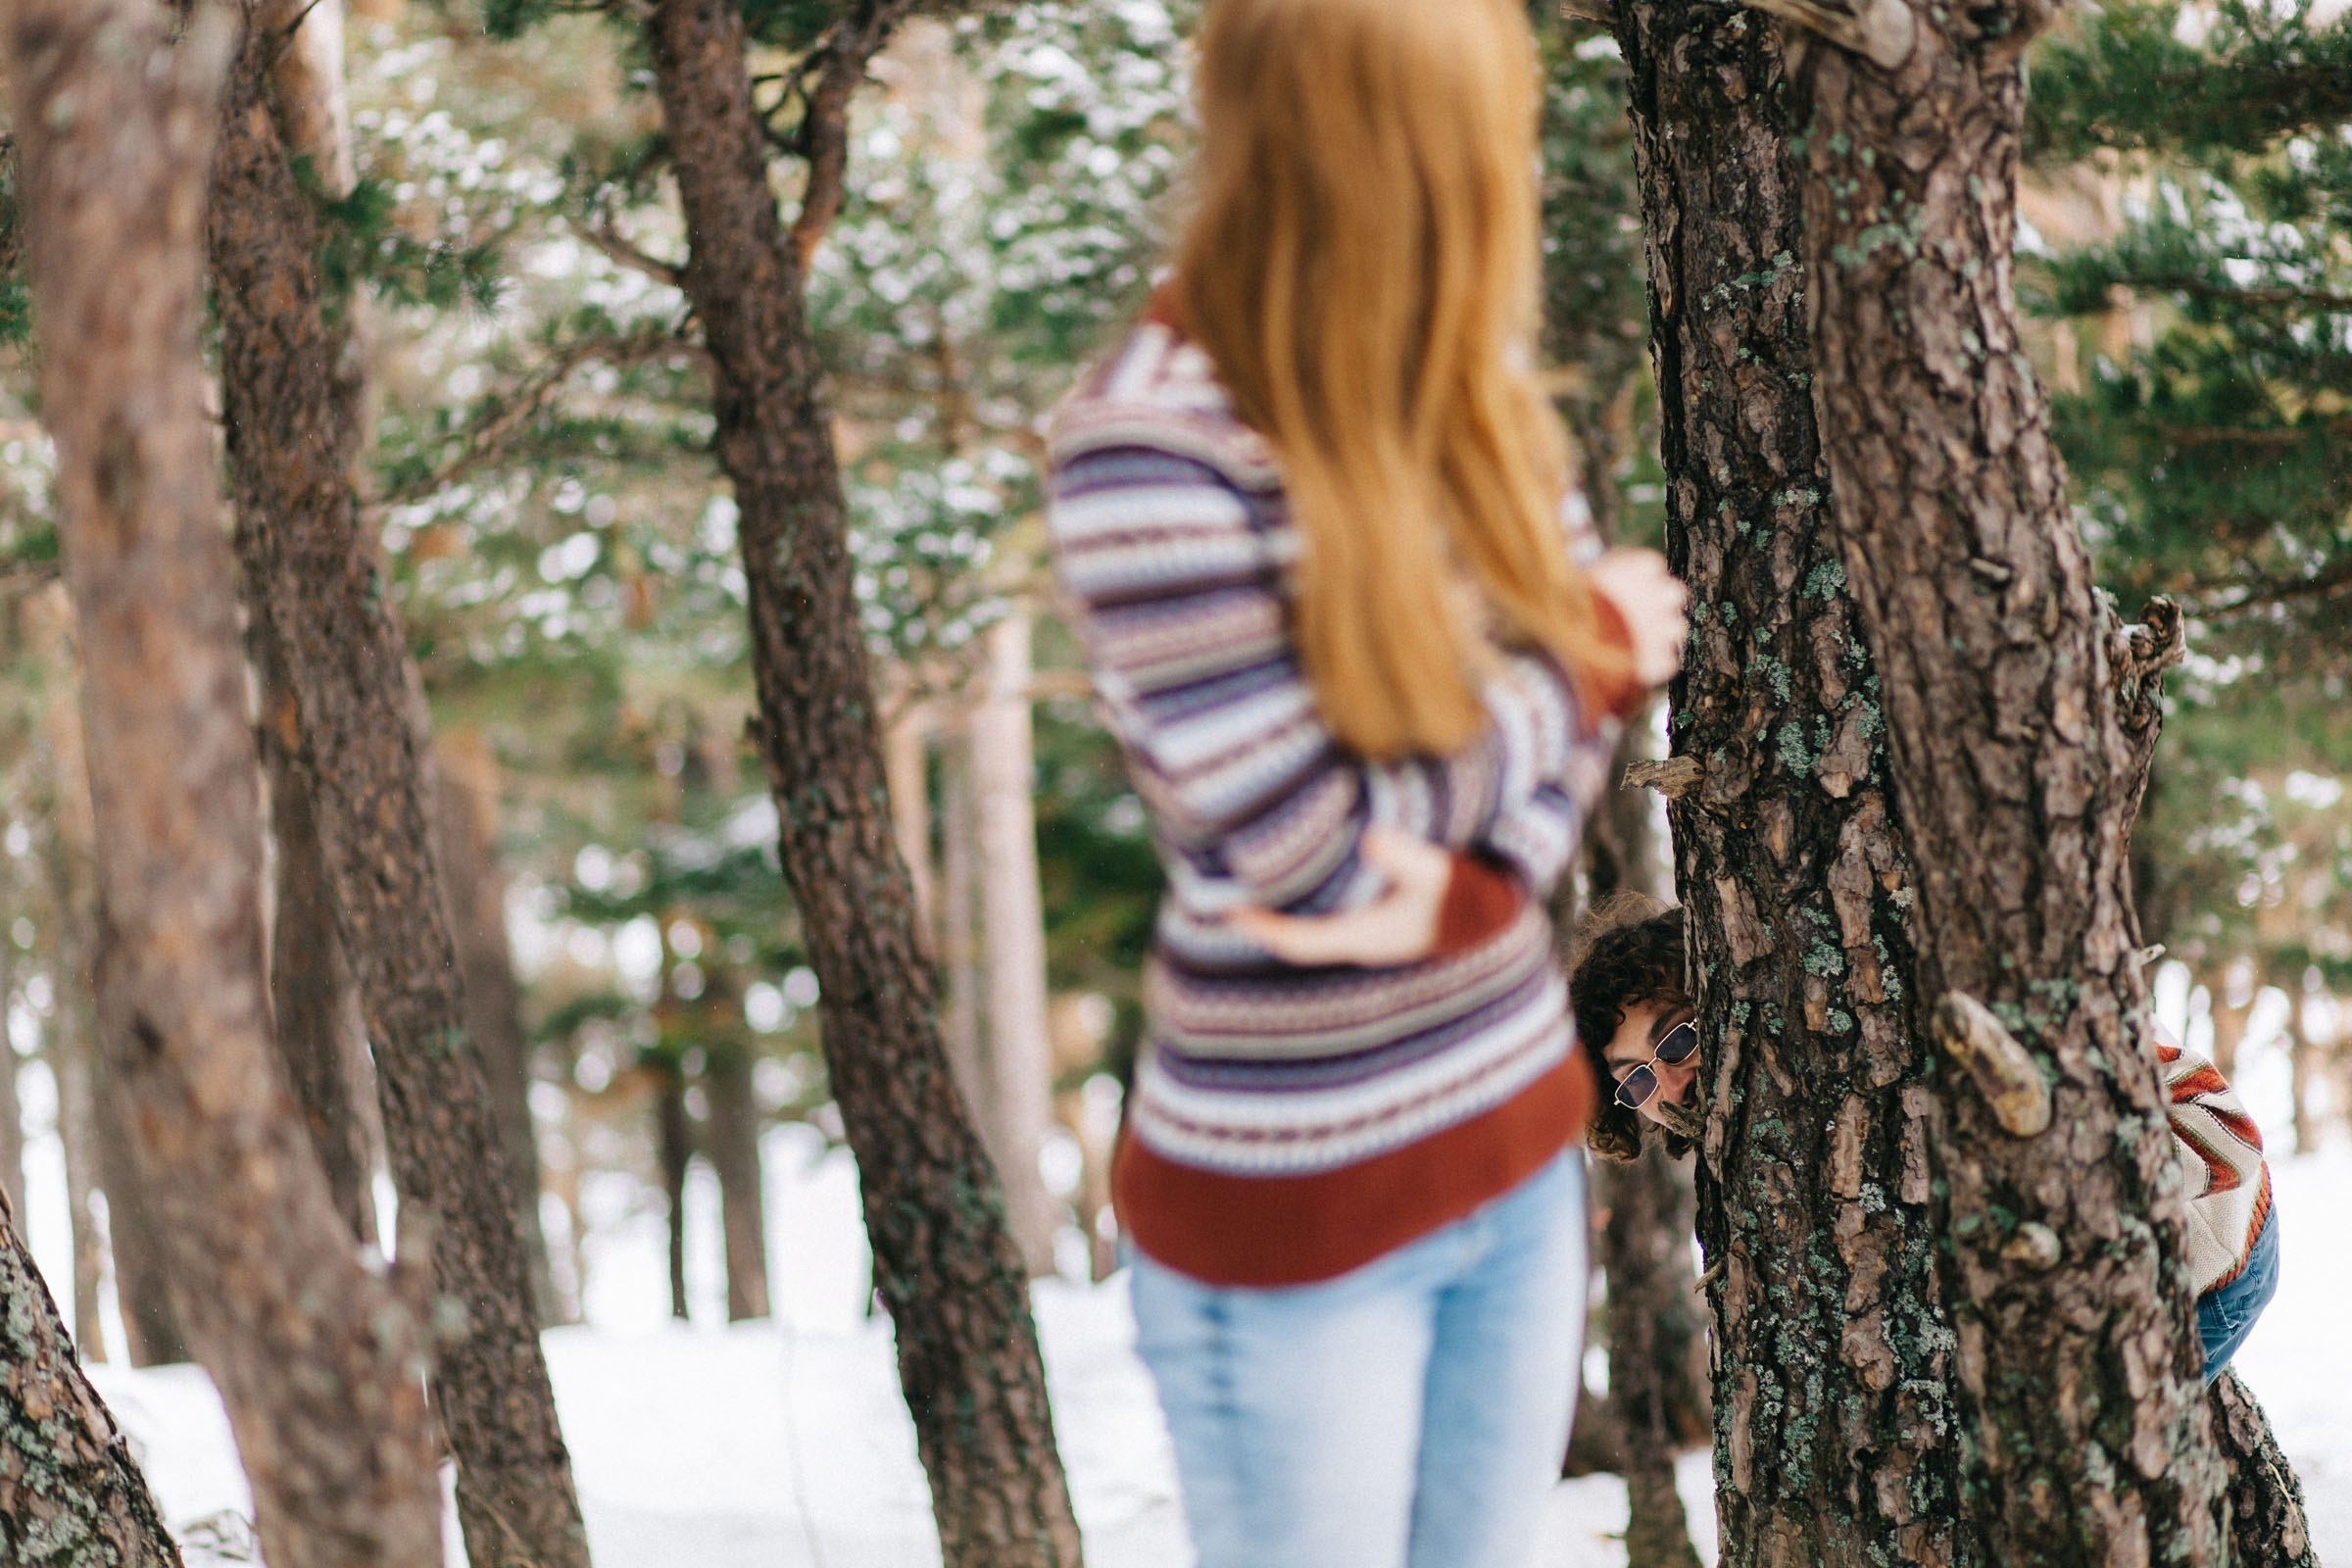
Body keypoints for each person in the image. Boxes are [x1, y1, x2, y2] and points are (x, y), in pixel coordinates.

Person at [1043, 0, 1689, 1562]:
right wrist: (1586, 662)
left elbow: (1529, 807)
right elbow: (1312, 859)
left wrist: (1461, 873)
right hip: (1291, 1212)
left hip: (1511, 1148)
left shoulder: (1469, 382)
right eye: (1471, 141)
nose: (1498, 181)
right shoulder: (1145, 443)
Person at [1570, 897, 2282, 1380]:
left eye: (1677, 1038)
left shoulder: (1891, 1010)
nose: (1669, 1084)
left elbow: (2224, 1141)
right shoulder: (1746, 1134)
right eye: (1635, 1081)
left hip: (2211, 1256)